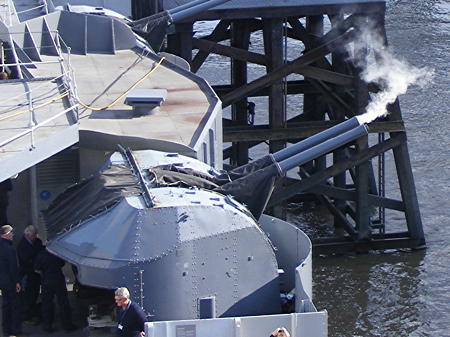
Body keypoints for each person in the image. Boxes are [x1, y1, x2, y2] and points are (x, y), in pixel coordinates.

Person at [34, 250, 76, 332]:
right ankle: (67, 325)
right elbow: (62, 264)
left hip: (46, 280)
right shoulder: (57, 254)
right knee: (63, 302)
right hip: (58, 278)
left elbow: (37, 269)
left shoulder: (40, 255)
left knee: (47, 303)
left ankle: (47, 325)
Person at [17, 225, 45, 323]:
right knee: (29, 295)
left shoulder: (37, 242)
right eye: (33, 235)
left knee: (35, 293)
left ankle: (32, 312)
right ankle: (27, 315)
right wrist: (36, 264)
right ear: (28, 235)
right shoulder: (22, 245)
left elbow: (42, 251)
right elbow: (25, 260)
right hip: (28, 274)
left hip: (36, 274)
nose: (35, 237)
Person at [0, 225, 23, 337]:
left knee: (5, 305)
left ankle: (6, 330)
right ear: (7, 234)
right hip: (11, 281)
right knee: (15, 306)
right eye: (12, 232)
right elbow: (13, 267)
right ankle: (16, 330)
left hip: (2, 281)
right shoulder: (10, 249)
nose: (13, 234)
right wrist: (17, 282)